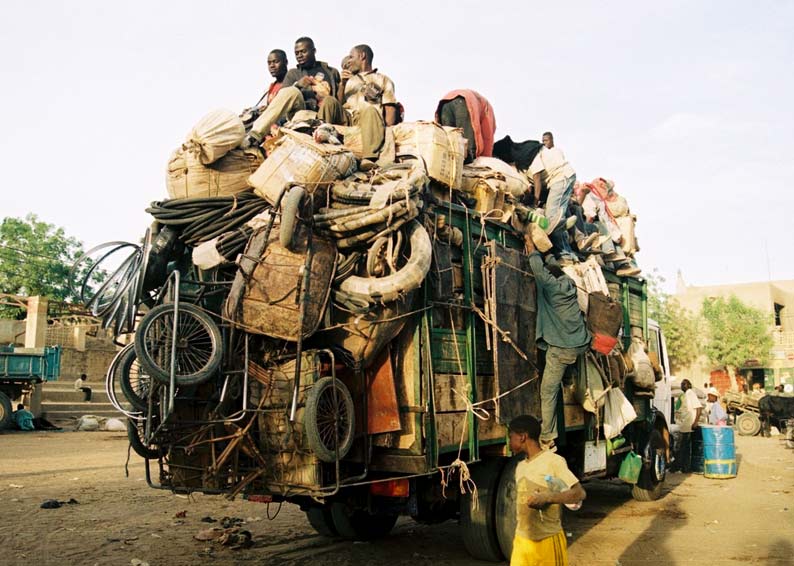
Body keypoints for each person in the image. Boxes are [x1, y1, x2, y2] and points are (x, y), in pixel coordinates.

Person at [528, 251, 591, 450]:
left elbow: (538, 270)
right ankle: (568, 378)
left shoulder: (552, 288)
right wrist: (549, 255)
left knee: (547, 390)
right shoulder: (569, 283)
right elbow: (554, 268)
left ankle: (547, 437)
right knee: (567, 363)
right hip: (580, 342)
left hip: (563, 347)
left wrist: (533, 251)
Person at [508, 415, 586, 566]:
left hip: (548, 541)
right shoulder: (520, 467)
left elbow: (579, 493)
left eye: (511, 437)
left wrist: (548, 498)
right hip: (522, 541)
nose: (509, 442)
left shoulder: (553, 462)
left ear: (523, 437)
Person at [246, 37, 341, 143]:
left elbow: (339, 101)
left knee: (329, 100)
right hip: (301, 114)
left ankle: (323, 133)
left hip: (325, 114)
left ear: (314, 51)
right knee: (292, 91)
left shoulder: (331, 72)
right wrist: (298, 85)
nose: (299, 55)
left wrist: (342, 84)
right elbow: (281, 99)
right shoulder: (293, 73)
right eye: (297, 53)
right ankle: (254, 135)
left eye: (303, 52)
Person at [334, 44, 399, 159]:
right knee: (329, 101)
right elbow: (337, 105)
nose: (348, 61)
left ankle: (369, 158)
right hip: (348, 119)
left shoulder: (382, 79)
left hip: (369, 121)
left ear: (362, 56)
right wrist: (342, 84)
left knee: (370, 110)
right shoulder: (347, 80)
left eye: (351, 57)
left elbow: (390, 108)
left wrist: (388, 131)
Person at [528, 132, 577, 264]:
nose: (544, 143)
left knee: (551, 217)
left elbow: (537, 178)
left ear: (552, 140)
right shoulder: (548, 153)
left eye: (546, 140)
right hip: (563, 178)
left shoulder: (534, 156)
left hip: (561, 178)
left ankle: (562, 228)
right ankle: (567, 252)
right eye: (543, 141)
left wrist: (535, 200)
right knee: (557, 212)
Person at [436, 89, 496, 163]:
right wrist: (487, 160)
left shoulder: (481, 102)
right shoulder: (488, 110)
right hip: (463, 101)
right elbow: (488, 136)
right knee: (468, 149)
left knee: (448, 140)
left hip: (445, 102)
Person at [675, 379, 703, 472]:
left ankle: (684, 468)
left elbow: (699, 408)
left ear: (689, 385)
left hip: (689, 425)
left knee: (684, 448)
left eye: (684, 384)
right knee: (683, 447)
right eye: (681, 384)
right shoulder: (685, 395)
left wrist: (695, 422)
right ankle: (683, 467)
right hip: (684, 425)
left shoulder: (690, 393)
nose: (682, 385)